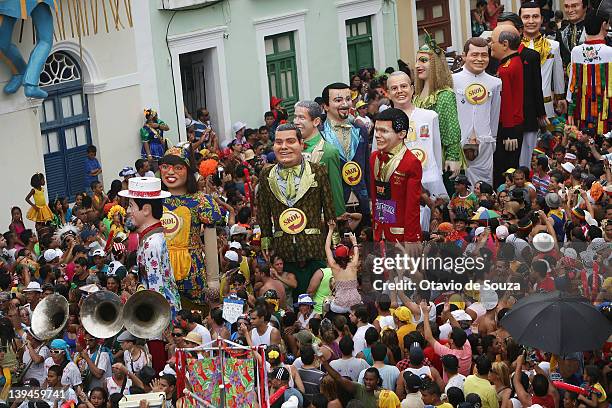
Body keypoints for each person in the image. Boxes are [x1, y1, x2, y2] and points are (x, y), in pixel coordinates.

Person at [257, 123, 335, 298]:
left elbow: (329, 210)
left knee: (319, 300)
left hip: (314, 250)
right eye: (278, 142)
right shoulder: (266, 175)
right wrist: (266, 241)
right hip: (283, 253)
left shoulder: (318, 171)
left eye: (290, 141)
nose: (284, 147)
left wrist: (334, 245)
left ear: (301, 144)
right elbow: (262, 211)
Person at [159, 144, 222, 307]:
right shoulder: (153, 201)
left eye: (178, 168)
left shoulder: (201, 201)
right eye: (165, 167)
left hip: (192, 270)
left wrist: (213, 279)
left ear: (188, 171)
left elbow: (210, 243)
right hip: (160, 270)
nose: (170, 172)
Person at [119, 177, 181, 316]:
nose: (128, 210)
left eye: (131, 205)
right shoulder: (152, 238)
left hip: (161, 315)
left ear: (146, 210)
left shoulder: (150, 244)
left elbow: (156, 289)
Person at [496, 12, 547, 169]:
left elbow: (536, 87)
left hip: (527, 115)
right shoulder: (494, 56)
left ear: (518, 31)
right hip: (503, 120)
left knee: (524, 160)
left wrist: (541, 114)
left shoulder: (530, 56)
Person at [413, 33, 463, 192]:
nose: (417, 65)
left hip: (440, 159)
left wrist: (453, 156)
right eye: (417, 61)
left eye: (424, 60)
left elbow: (451, 128)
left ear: (435, 64)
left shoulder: (445, 95)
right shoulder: (416, 97)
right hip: (421, 159)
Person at [386, 71, 446, 198]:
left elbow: (436, 149)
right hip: (397, 180)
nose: (400, 91)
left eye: (404, 86)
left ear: (412, 89)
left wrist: (437, 174)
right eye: (394, 88)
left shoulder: (430, 116)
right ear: (388, 93)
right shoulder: (384, 120)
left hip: (429, 177)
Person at [453, 37, 502, 187]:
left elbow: (495, 113)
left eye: (484, 55)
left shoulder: (495, 83)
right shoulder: (452, 80)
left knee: (484, 187)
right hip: (457, 144)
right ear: (464, 56)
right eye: (474, 55)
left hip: (485, 144)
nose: (480, 59)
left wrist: (491, 139)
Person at [369, 108, 422, 243]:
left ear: (402, 134)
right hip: (378, 232)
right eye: (376, 130)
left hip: (400, 236)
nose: (377, 135)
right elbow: (375, 198)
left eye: (384, 131)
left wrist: (411, 239)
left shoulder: (411, 162)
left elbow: (413, 207)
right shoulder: (374, 157)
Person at [320, 83, 371, 224]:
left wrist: (370, 199)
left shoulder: (360, 129)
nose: (345, 104)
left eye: (348, 99)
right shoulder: (319, 133)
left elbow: (367, 167)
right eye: (338, 100)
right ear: (325, 106)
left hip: (361, 201)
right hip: (334, 205)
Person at [293, 100, 346, 217]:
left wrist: (338, 218)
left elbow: (335, 191)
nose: (296, 122)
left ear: (316, 121)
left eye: (301, 118)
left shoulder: (328, 151)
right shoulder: (291, 148)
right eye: (295, 117)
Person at [567, 12, 612, 134]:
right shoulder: (610, 51)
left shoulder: (575, 51)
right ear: (604, 25)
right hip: (607, 110)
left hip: (581, 110)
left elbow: (572, 84)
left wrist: (570, 109)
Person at [490, 25, 524, 187]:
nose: (490, 45)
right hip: (515, 124)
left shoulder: (506, 69)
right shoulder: (515, 61)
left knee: (504, 168)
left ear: (504, 44)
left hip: (509, 127)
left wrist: (509, 132)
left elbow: (507, 102)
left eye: (492, 41)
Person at [520, 2, 566, 121]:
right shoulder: (514, 47)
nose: (531, 21)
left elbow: (558, 75)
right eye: (526, 17)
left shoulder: (553, 46)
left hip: (547, 107)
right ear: (519, 20)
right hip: (520, 109)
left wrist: (560, 97)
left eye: (535, 16)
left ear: (542, 19)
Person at [325, 226, 361, 313]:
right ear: (348, 254)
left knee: (326, 301)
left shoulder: (334, 266)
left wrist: (330, 230)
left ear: (336, 256)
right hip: (355, 303)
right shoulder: (353, 264)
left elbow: (327, 248)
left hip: (339, 305)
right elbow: (356, 252)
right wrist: (354, 242)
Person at [557, 0, 588, 65]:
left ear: (585, 7)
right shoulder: (560, 32)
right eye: (566, 6)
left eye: (574, 6)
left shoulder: (595, 30)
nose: (570, 10)